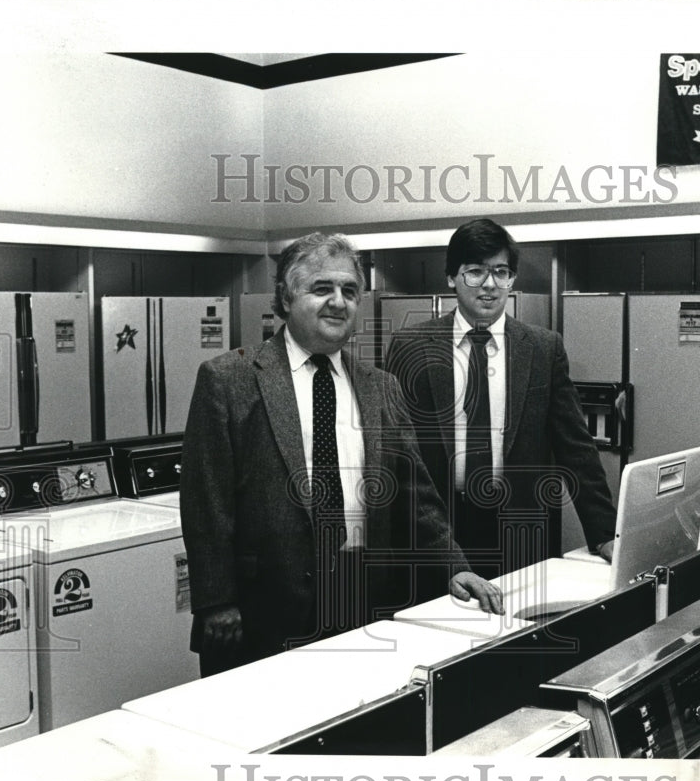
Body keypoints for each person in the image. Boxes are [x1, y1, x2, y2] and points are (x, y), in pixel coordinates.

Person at [181, 232, 503, 677]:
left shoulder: (380, 385)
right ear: (286, 298)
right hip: (262, 610)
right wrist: (217, 601)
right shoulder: (229, 379)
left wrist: (454, 566)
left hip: (361, 600)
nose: (338, 302)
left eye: (349, 291)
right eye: (321, 289)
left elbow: (417, 494)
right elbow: (205, 503)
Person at [385, 218, 616, 580]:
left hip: (519, 532)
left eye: (501, 272)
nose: (490, 284)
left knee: (518, 631)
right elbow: (396, 455)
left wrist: (604, 535)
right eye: (475, 271)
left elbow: (576, 448)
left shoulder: (542, 348)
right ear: (451, 277)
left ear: (512, 279)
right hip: (436, 531)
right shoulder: (410, 346)